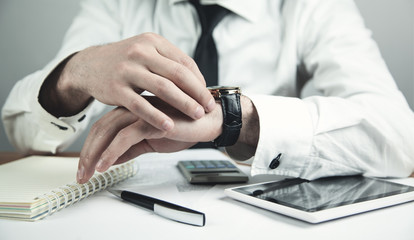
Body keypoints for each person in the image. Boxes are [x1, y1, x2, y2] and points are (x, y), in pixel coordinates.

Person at [2, 0, 414, 184]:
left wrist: (238, 119)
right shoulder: (116, 5)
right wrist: (73, 73)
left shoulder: (311, 6)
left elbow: (399, 140)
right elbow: (24, 139)